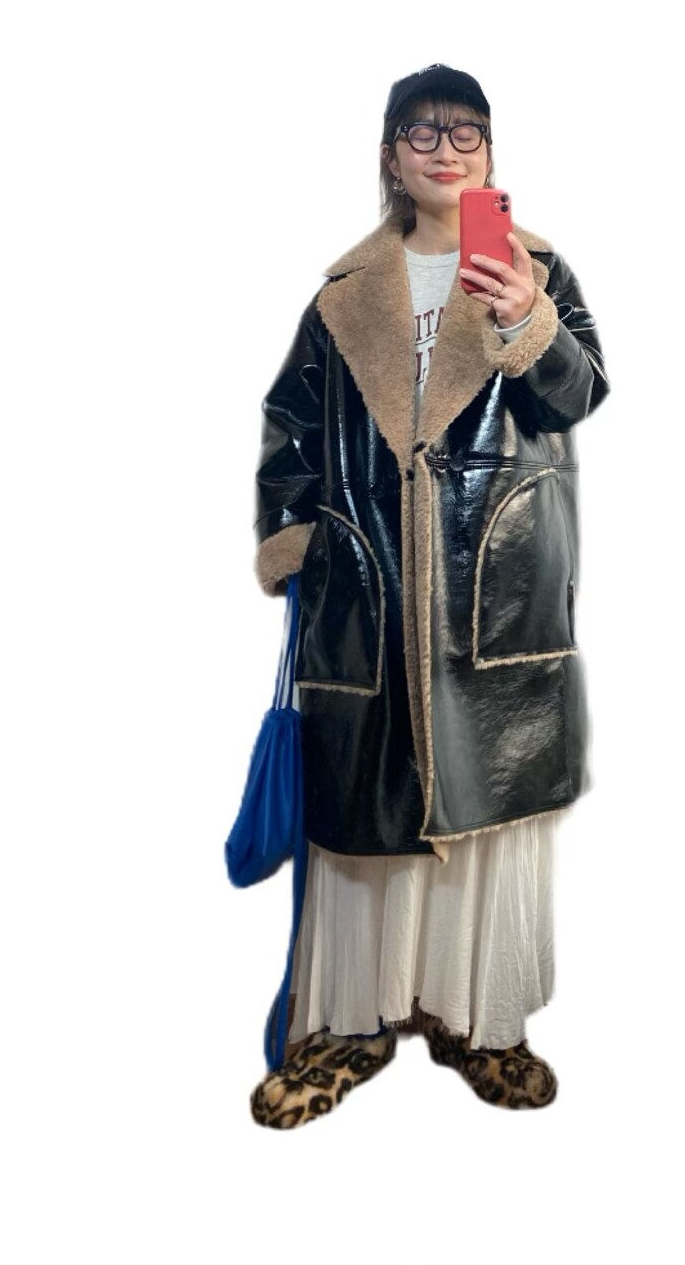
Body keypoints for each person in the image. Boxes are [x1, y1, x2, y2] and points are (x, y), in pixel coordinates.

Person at [249, 64, 609, 1130]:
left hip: (495, 590)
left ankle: (479, 1020)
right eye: (422, 132)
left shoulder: (536, 268)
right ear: (389, 154)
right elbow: (291, 428)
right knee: (362, 808)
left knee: (484, 801)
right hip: (366, 593)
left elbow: (577, 394)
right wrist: (297, 543)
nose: (445, 150)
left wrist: (529, 319)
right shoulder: (343, 292)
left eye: (465, 133)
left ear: (490, 153)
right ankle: (349, 1022)